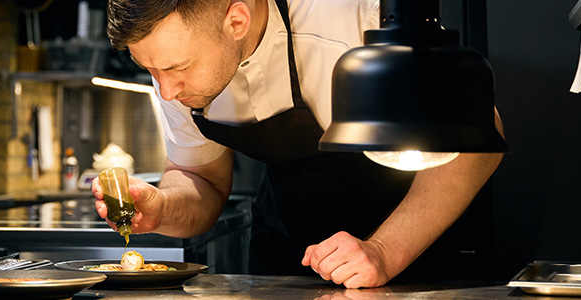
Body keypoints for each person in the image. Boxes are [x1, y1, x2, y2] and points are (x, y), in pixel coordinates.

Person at [95, 0, 503, 288]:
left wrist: (383, 251)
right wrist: (163, 208)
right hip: (283, 264)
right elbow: (200, 178)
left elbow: (478, 141)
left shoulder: (347, 16)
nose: (165, 91)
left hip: (410, 253)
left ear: (236, 20)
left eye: (176, 68)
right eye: (150, 70)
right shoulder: (173, 72)